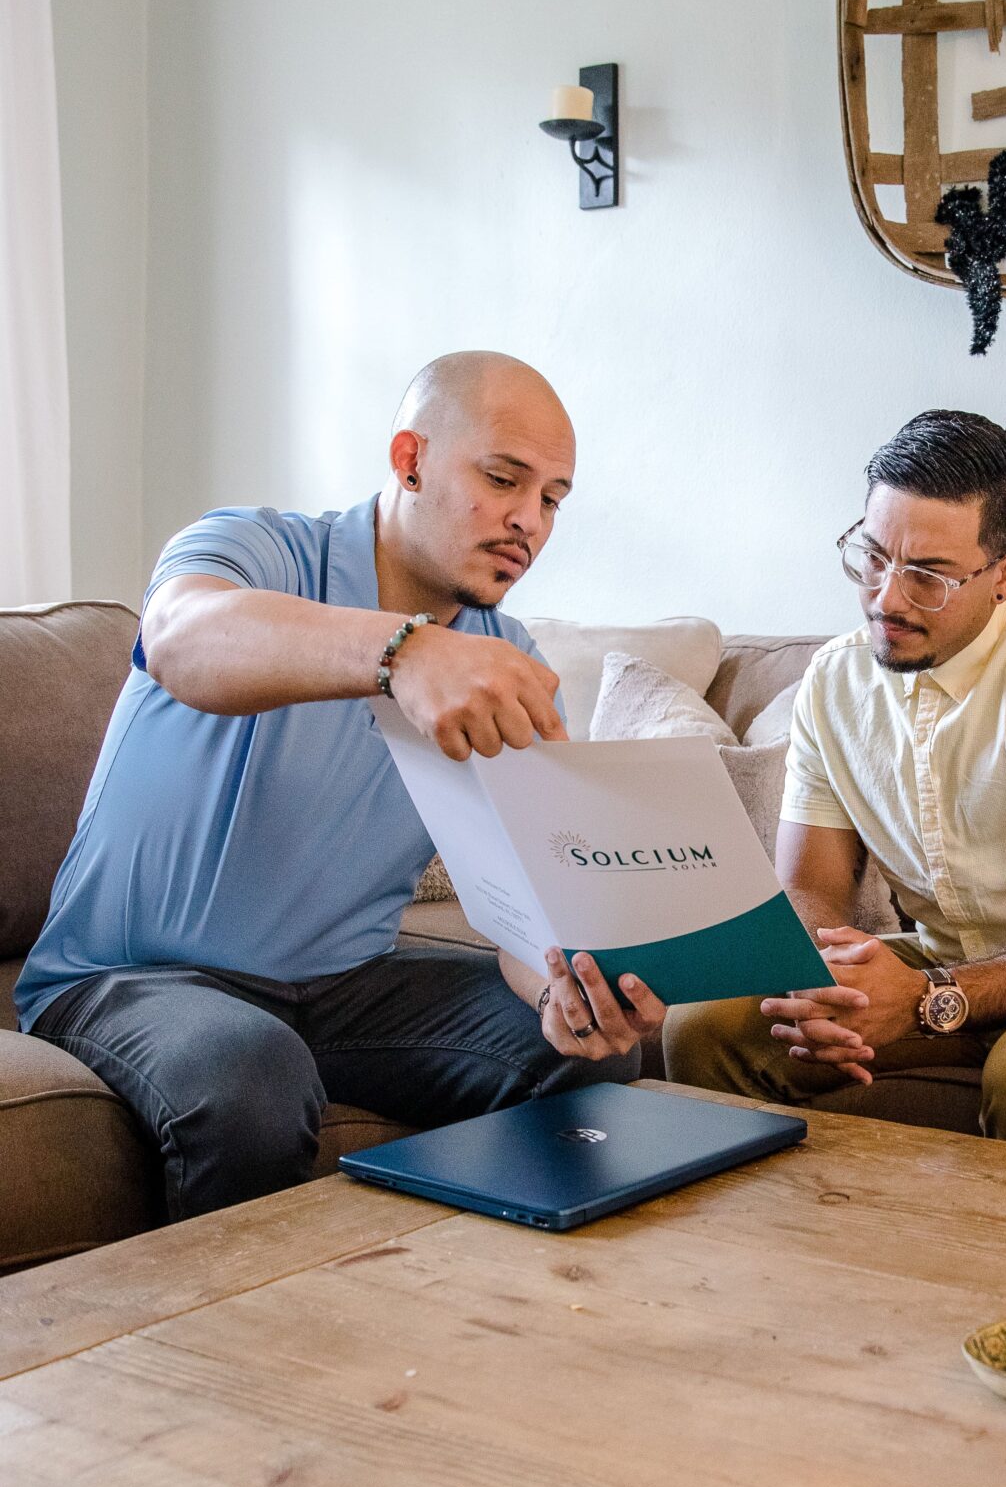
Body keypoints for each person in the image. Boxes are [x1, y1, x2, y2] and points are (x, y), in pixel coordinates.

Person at [16, 352, 665, 1219]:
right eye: (503, 479)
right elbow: (180, 637)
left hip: (347, 986)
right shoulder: (255, 547)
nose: (528, 522)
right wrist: (402, 653)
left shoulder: (506, 663)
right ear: (409, 460)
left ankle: (471, 1320)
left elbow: (519, 897)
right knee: (250, 1069)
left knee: (588, 1059)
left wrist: (565, 992)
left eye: (551, 498)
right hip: (134, 978)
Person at [663, 409, 1006, 1146]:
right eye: (871, 556)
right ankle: (772, 1250)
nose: (886, 598)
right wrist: (816, 984)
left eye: (926, 575)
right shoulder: (834, 680)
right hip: (942, 961)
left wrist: (927, 1001)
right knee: (707, 1023)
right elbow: (810, 891)